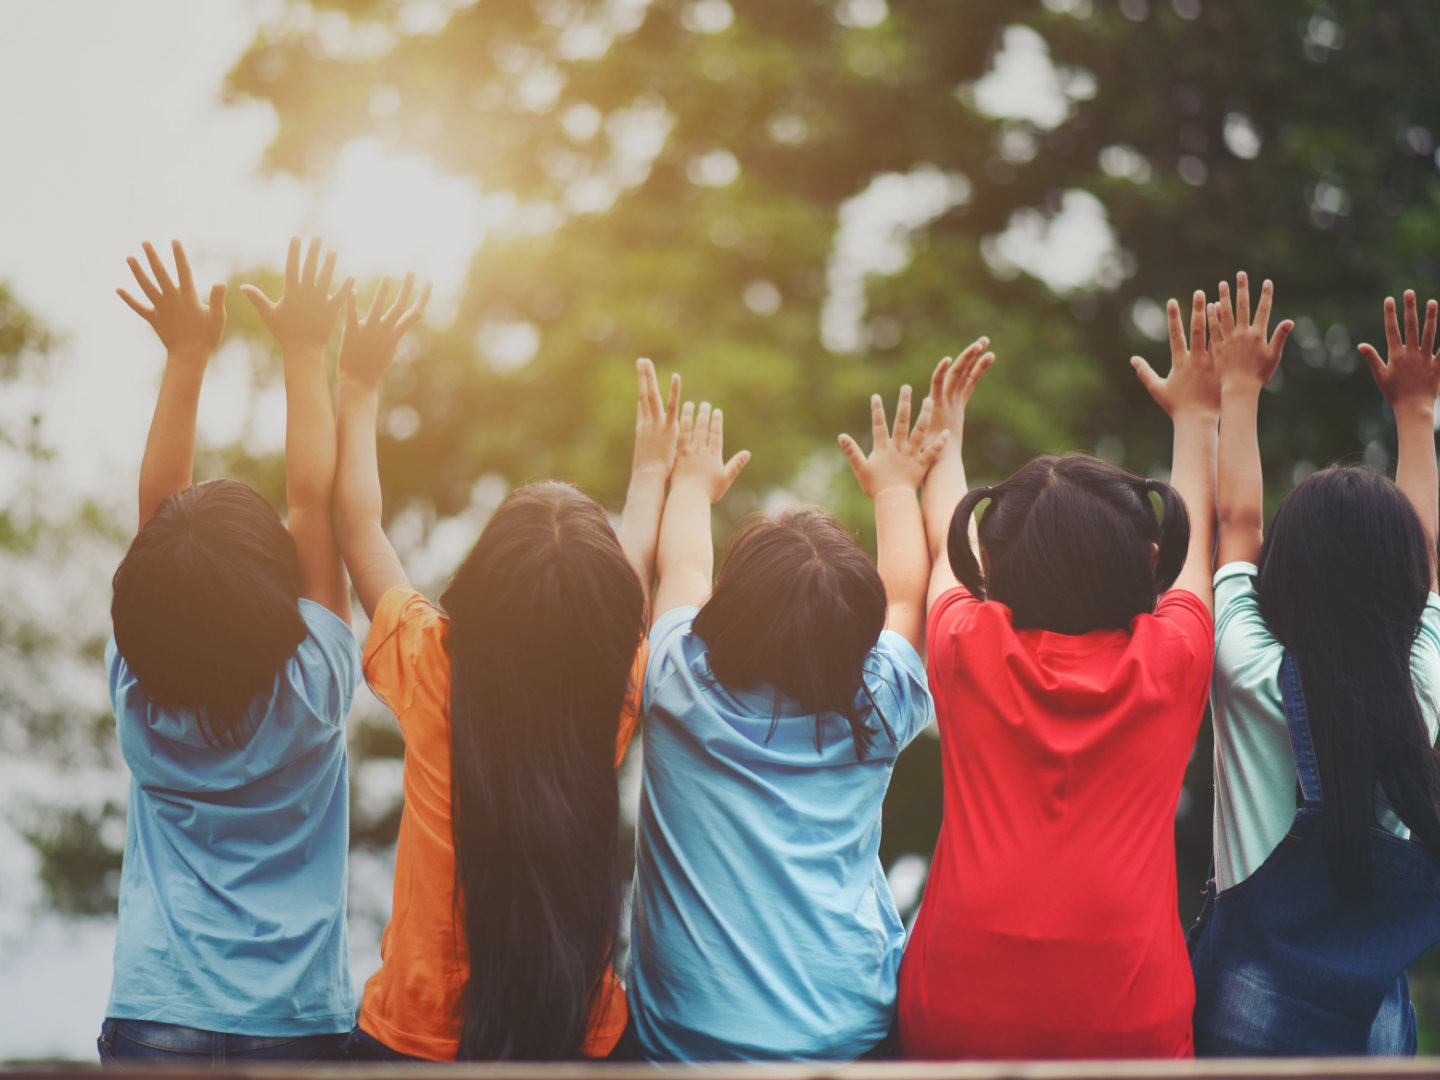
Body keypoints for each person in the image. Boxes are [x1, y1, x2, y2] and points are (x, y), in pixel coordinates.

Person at [331, 270, 678, 1061]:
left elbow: (360, 528)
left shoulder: (432, 668)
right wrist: (653, 477)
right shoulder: (612, 693)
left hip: (411, 1046)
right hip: (581, 1042)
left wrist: (358, 383)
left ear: (480, 585)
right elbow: (619, 605)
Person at [899, 318, 1219, 1059]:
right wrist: (1199, 416)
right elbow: (1195, 539)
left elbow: (954, 560)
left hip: (953, 1018)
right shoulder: (1170, 662)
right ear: (1144, 561)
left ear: (995, 576)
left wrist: (944, 441)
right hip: (1129, 1032)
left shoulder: (965, 648)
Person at [98, 239, 361, 1066]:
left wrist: (185, 356)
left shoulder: (140, 690)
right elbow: (315, 503)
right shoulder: (315, 688)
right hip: (296, 1029)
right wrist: (307, 351)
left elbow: (156, 529)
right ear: (275, 589)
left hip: (153, 1020)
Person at [626, 389, 940, 1061]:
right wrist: (894, 487)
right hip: (849, 1035)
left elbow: (681, 565)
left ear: (732, 607)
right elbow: (909, 594)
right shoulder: (878, 705)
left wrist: (688, 482)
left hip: (689, 1046)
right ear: (859, 631)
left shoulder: (677, 683)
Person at [1190, 278, 1440, 1055]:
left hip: (1243, 1021)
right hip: (1375, 1031)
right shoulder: (1424, 686)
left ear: (1284, 571)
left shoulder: (1246, 669)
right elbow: (1425, 556)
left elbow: (1236, 522)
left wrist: (1238, 386)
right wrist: (1415, 411)